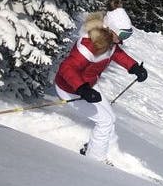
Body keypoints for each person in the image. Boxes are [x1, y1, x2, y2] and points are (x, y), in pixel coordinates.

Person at [54, 9, 147, 162]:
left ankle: (94, 148)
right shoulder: (88, 45)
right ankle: (94, 160)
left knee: (110, 117)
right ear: (111, 30)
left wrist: (134, 67)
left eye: (128, 35)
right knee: (105, 121)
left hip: (88, 85)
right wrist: (82, 89)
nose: (124, 39)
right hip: (70, 88)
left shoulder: (108, 42)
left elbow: (116, 53)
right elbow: (67, 68)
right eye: (123, 35)